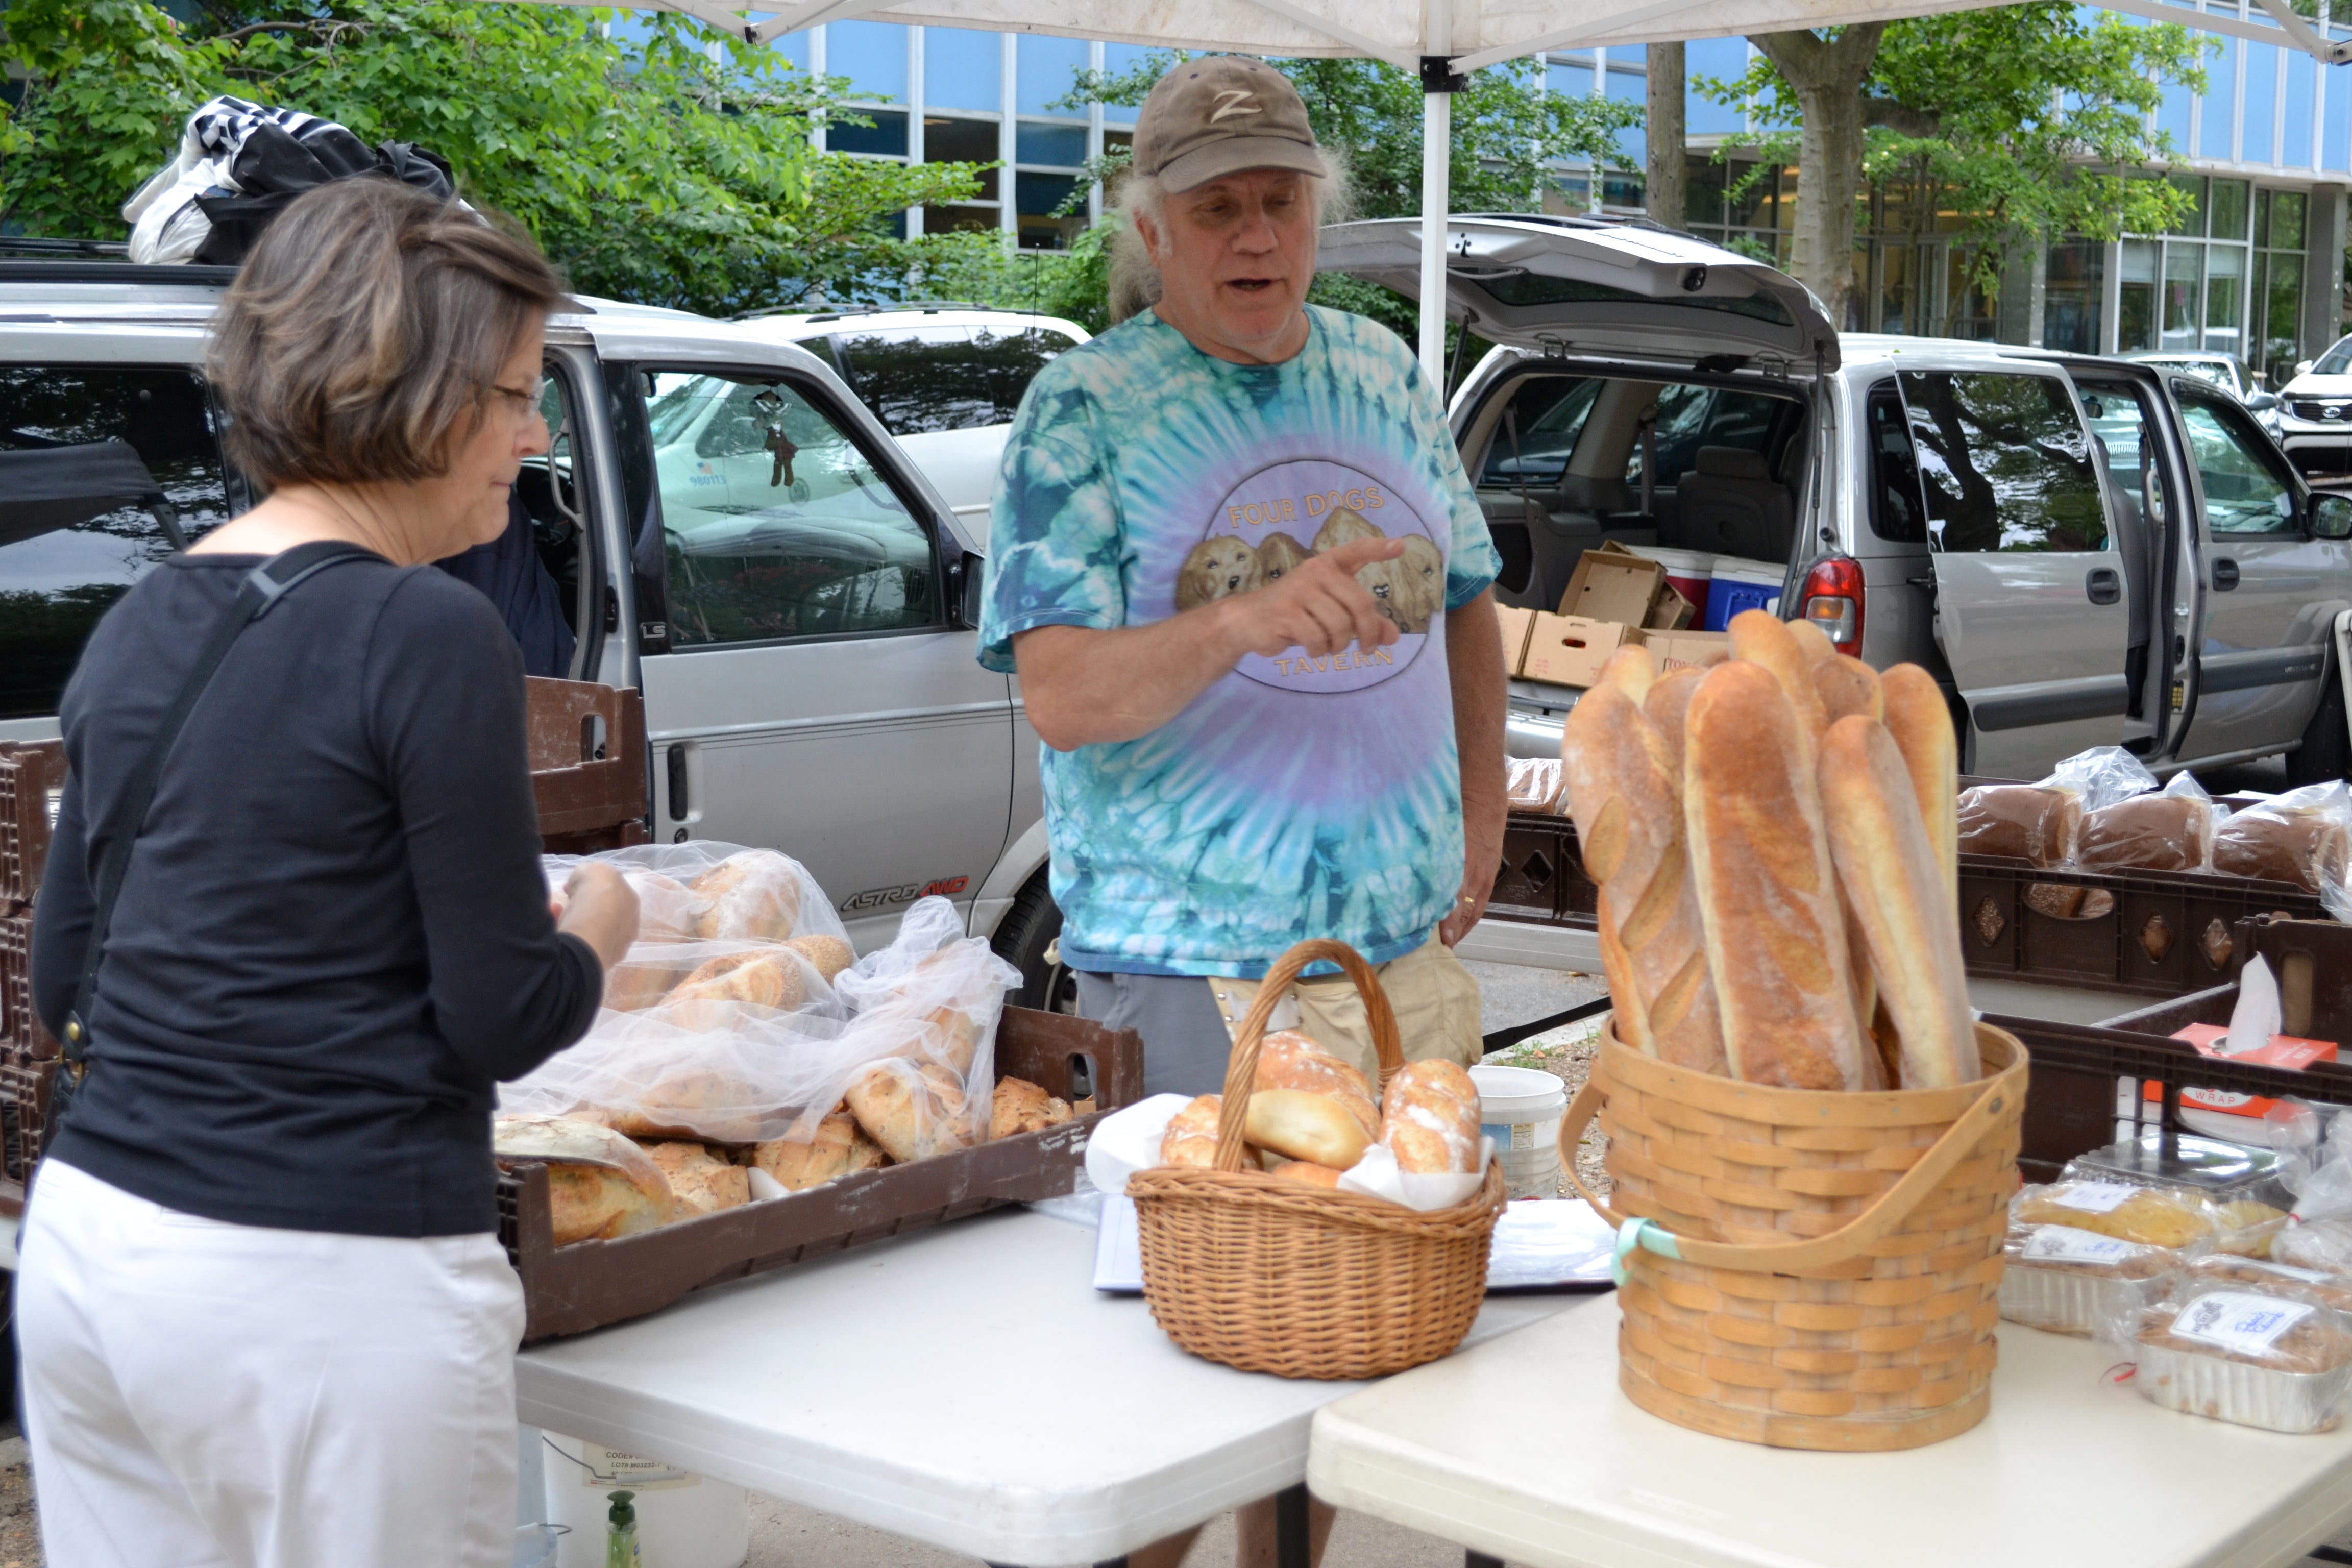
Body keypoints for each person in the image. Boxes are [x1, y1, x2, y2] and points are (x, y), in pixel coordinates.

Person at [21, 178, 639, 1568]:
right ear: (415, 394)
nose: (535, 438)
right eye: (515, 395)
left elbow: (71, 976)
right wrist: (602, 925)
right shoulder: (426, 628)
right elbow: (501, 1010)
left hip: (95, 1254)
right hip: (323, 1290)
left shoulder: (138, 619)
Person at [976, 55, 1508, 1568]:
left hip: (1394, 950)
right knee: (1174, 1398)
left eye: (1281, 199)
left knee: (1349, 1360)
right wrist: (1244, 618)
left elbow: (1468, 603)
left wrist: (1478, 829)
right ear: (1151, 230)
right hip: (1193, 960)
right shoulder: (1081, 411)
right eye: (1219, 207)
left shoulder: (1385, 371)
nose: (1256, 233)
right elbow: (1066, 696)